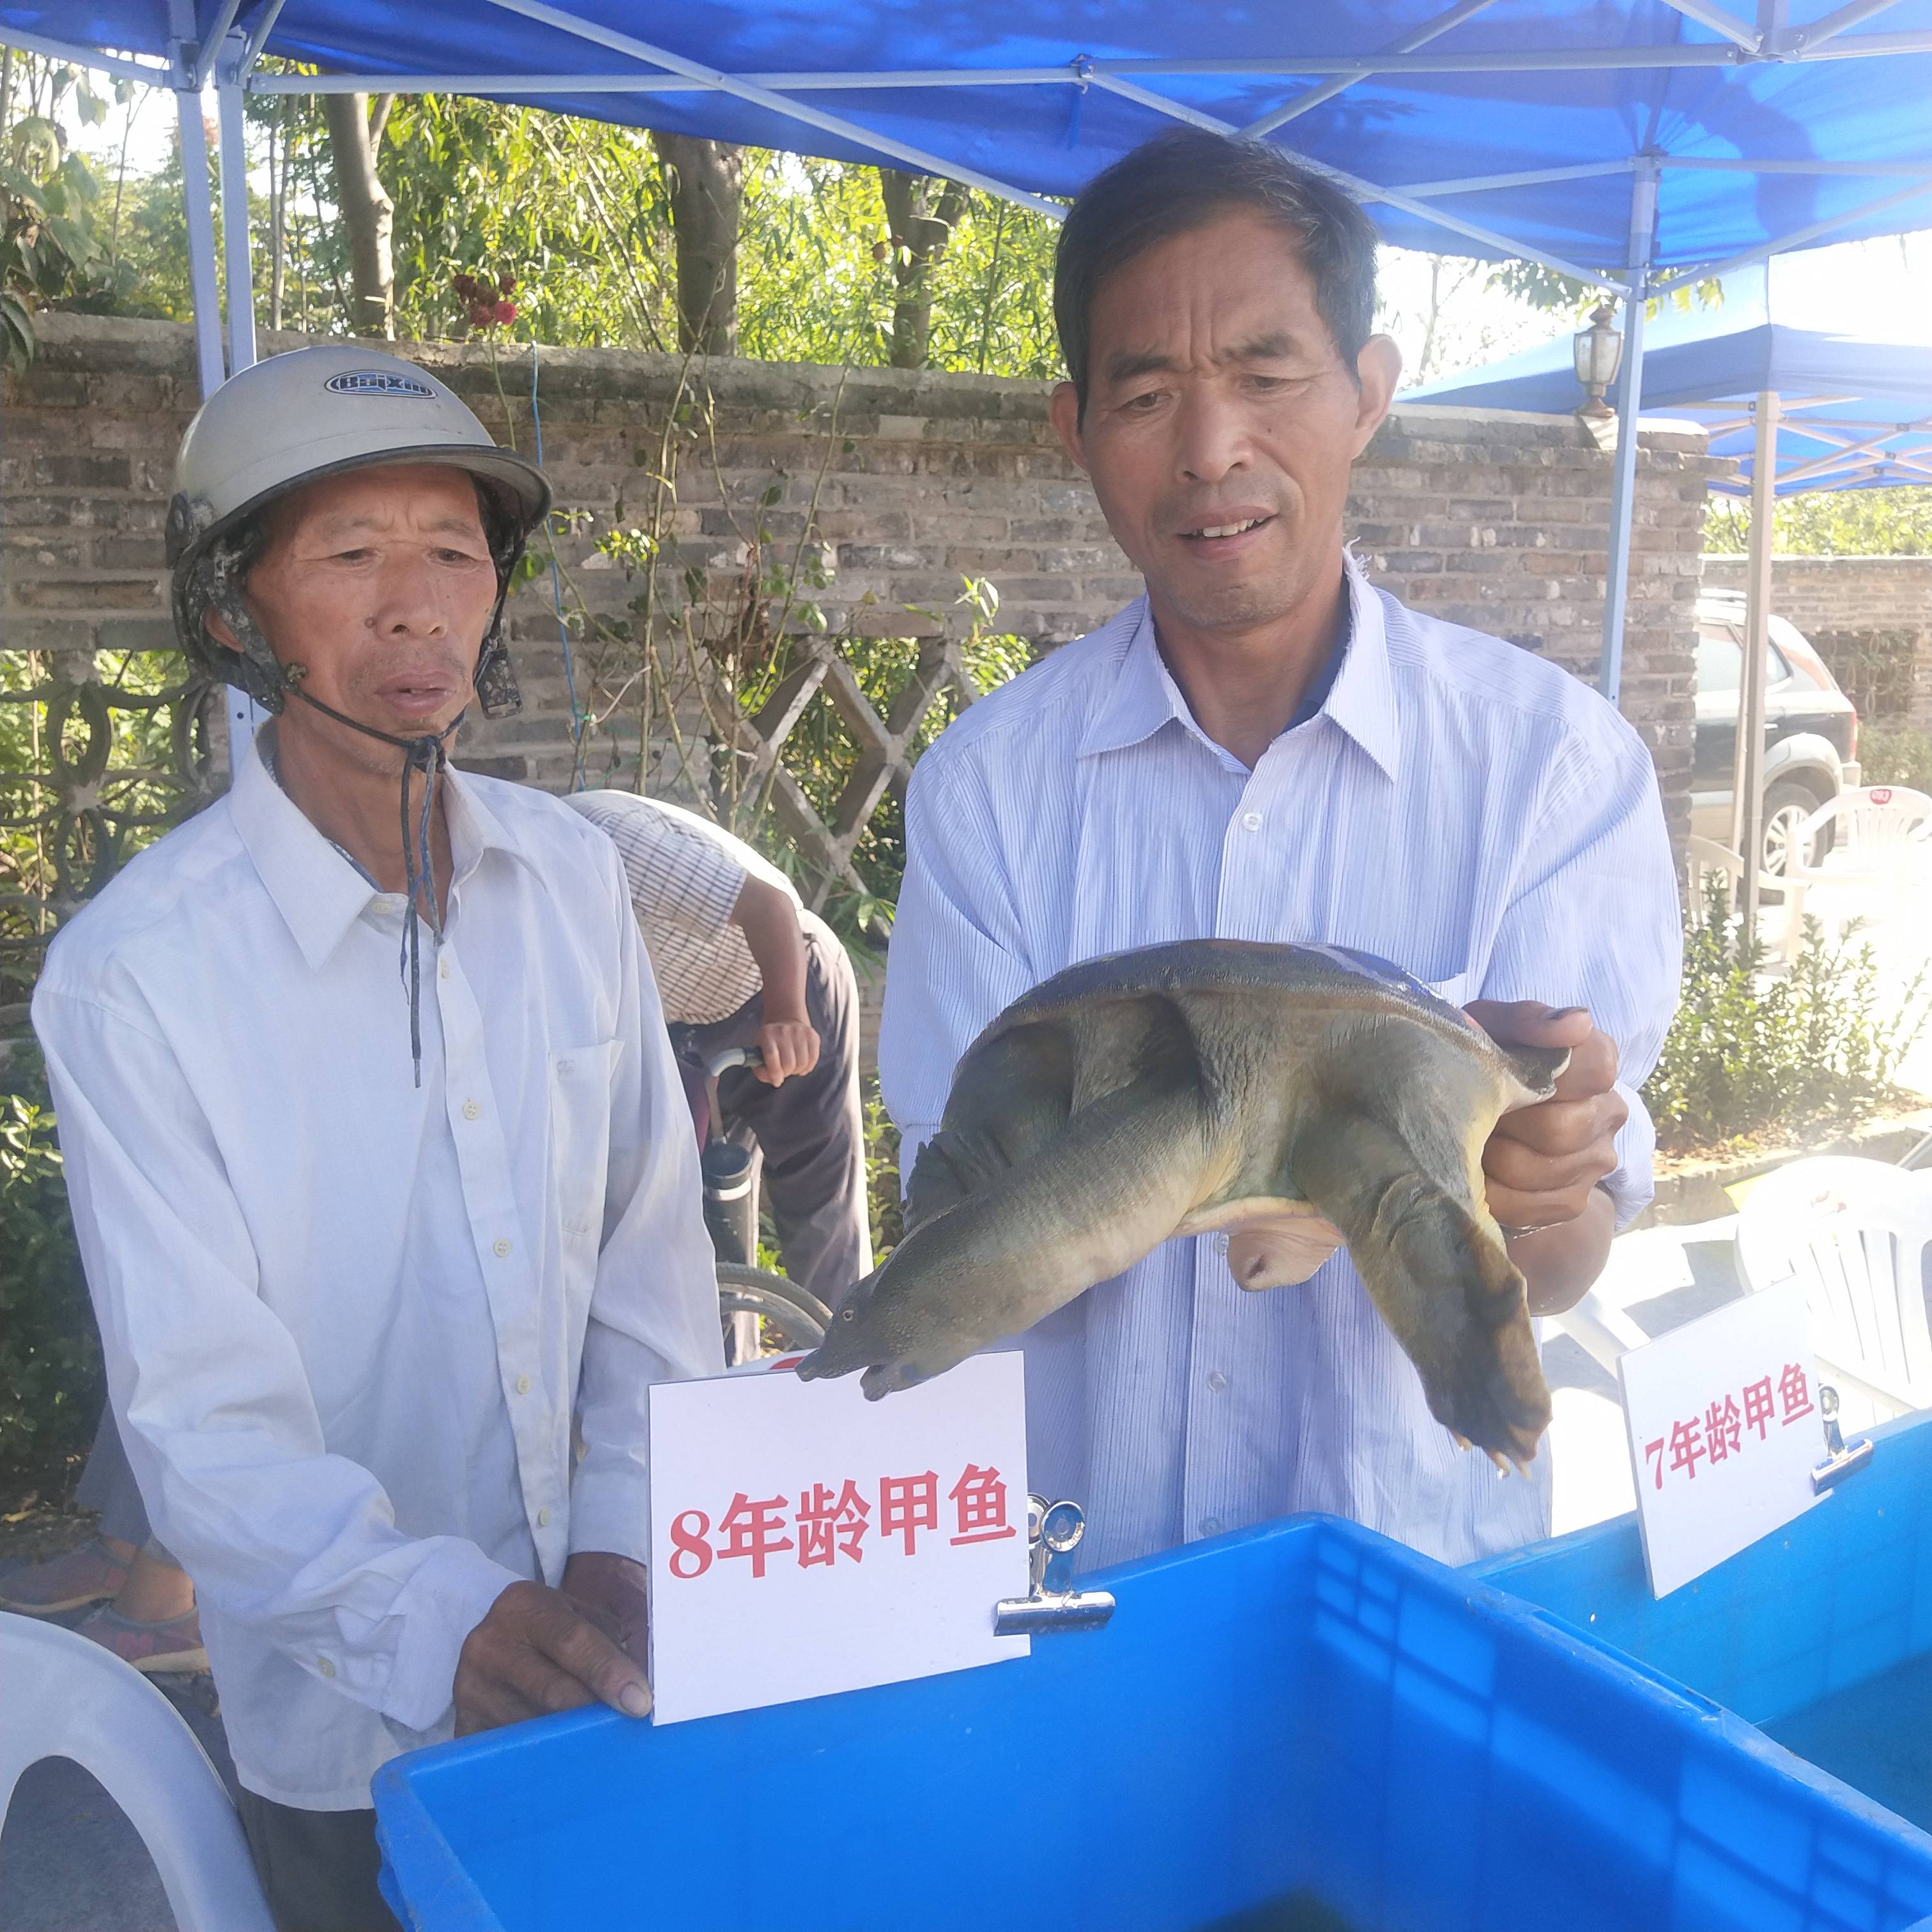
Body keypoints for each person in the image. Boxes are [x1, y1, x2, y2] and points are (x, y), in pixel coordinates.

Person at [879, 130, 1682, 1575]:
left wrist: (1536, 1179)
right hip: (1079, 1597)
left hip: (1414, 1597)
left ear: (1369, 392)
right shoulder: (989, 791)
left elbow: (1557, 1263)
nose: (1210, 450)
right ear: (1072, 430)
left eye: (1265, 374)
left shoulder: (1551, 771)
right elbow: (967, 1227)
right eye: (1147, 393)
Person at [32, 344, 721, 1931]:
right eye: (351, 556)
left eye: (455, 553)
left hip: (623, 1660)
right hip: (350, 1740)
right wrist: (452, 1623)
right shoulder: (139, 979)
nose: (416, 605)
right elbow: (205, 1427)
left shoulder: (568, 883)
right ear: (233, 609)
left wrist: (620, 1543)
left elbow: (649, 1255)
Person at [564, 790, 873, 1307]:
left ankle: (850, 1367)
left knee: (818, 1214)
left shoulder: (604, 841)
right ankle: (728, 1377)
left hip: (780, 987)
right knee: (707, 1221)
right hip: (687, 1030)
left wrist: (788, 1016)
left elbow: (767, 906)